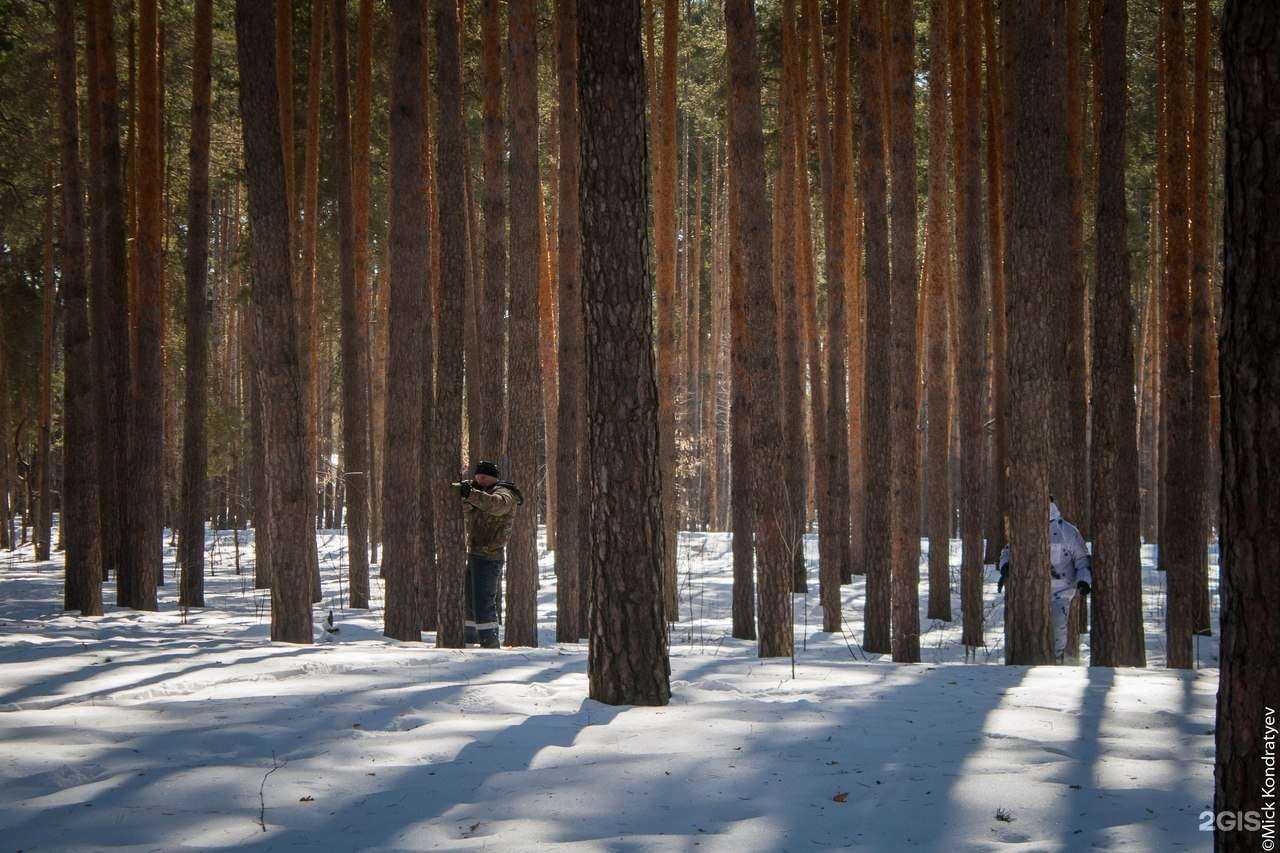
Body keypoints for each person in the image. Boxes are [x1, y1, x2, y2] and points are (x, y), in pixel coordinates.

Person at [997, 498, 1093, 663]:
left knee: (1057, 626)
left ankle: (1057, 660)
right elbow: (1008, 551)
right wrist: (1005, 567)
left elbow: (1082, 560)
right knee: (1027, 629)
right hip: (1030, 590)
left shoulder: (1067, 531)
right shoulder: (1025, 528)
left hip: (1061, 591)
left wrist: (1084, 581)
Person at [451, 460, 524, 648]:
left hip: (490, 555)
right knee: (469, 600)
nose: (479, 479)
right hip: (474, 553)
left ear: (494, 477)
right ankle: (470, 640)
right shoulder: (478, 493)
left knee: (483, 600)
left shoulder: (504, 492)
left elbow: (497, 505)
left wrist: (471, 494)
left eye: (484, 476)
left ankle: (489, 642)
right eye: (477, 475)